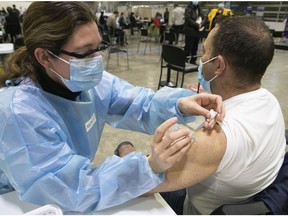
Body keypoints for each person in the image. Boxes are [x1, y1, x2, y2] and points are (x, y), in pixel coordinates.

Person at [0, 2, 224, 213]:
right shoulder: (19, 113)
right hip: (21, 201)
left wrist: (179, 105)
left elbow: (138, 103)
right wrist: (147, 167)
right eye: (85, 52)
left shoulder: (92, 84)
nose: (97, 59)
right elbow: (68, 187)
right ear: (45, 57)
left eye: (99, 47)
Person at [146, 16, 287, 215]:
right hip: (247, 197)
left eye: (205, 52)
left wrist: (129, 153)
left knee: (127, 150)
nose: (202, 59)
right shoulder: (270, 102)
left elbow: (141, 183)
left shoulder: (212, 139)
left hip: (195, 209)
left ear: (219, 65)